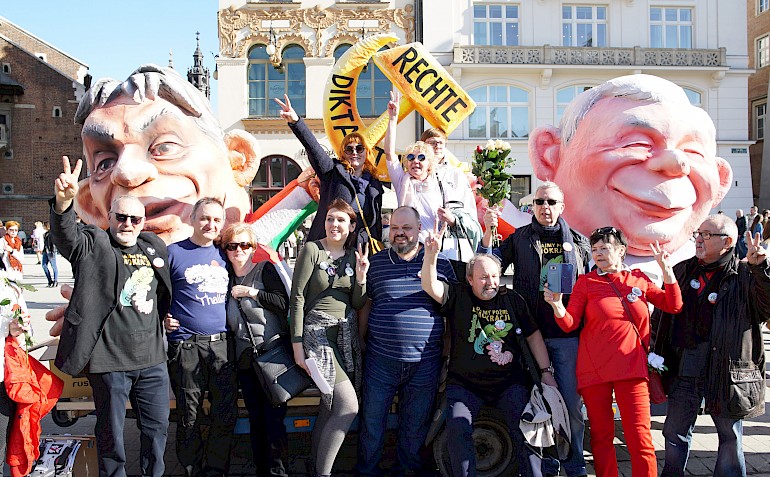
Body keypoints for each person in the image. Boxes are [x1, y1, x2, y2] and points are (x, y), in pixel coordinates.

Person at [50, 157, 172, 477]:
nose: (128, 224)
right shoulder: (95, 243)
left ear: (143, 222)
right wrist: (64, 203)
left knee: (156, 432)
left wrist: (166, 317)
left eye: (135, 218)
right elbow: (67, 238)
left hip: (152, 361)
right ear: (111, 217)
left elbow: (165, 291)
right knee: (112, 437)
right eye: (121, 217)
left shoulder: (154, 246)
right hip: (110, 362)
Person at [529, 74, 732, 265]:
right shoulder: (529, 242)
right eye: (636, 143)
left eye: (692, 152)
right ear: (550, 156)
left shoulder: (699, 272)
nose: (677, 164)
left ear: (721, 180)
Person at [543, 227, 683, 477]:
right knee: (601, 438)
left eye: (604, 248)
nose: (598, 253)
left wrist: (668, 273)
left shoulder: (638, 278)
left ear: (620, 251)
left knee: (640, 438)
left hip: (632, 369)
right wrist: (557, 306)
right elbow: (570, 323)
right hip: (594, 372)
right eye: (594, 249)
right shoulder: (586, 282)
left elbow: (673, 305)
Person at [421, 224, 557, 477]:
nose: (491, 282)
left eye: (494, 276)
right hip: (464, 385)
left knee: (526, 429)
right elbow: (430, 286)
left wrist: (546, 372)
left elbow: (533, 335)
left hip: (509, 383)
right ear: (470, 279)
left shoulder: (512, 299)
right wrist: (431, 255)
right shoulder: (459, 295)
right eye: (483, 277)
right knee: (458, 429)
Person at [72, 65, 260, 245]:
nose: (126, 173)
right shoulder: (106, 262)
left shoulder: (258, 263)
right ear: (89, 205)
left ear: (237, 160)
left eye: (164, 148)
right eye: (106, 163)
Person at [479, 181, 590, 477]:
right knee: (537, 404)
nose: (545, 208)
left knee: (571, 405)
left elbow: (593, 285)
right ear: (532, 207)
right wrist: (489, 232)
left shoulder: (579, 242)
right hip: (529, 337)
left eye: (552, 202)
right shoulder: (519, 239)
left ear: (562, 206)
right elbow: (490, 265)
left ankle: (575, 462)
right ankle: (546, 462)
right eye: (539, 202)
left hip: (567, 337)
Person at [651, 216, 770, 477]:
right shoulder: (682, 270)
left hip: (728, 372)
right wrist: (654, 353)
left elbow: (767, 307)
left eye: (706, 235)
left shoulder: (745, 274)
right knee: (674, 432)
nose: (699, 239)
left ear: (727, 242)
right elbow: (661, 314)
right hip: (685, 367)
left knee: (730, 436)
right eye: (698, 233)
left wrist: (761, 269)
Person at [356, 206, 456, 476]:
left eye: (407, 228)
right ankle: (367, 471)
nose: (400, 233)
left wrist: (446, 354)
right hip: (380, 360)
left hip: (425, 363)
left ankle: (407, 472)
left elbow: (450, 313)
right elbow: (366, 304)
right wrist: (361, 342)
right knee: (372, 425)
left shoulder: (440, 263)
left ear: (419, 230)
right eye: (395, 228)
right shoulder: (375, 263)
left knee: (414, 427)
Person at [290, 198, 369, 477]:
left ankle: (315, 466)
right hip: (316, 337)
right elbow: (297, 298)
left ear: (351, 226)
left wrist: (360, 277)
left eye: (340, 220)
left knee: (331, 404)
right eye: (330, 219)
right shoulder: (312, 250)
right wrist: (297, 344)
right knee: (348, 406)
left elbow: (358, 303)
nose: (334, 224)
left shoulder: (353, 257)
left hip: (344, 337)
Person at [162, 197, 236, 477]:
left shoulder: (226, 254)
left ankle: (216, 468)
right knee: (189, 415)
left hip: (222, 345)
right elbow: (157, 295)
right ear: (192, 219)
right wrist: (162, 319)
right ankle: (192, 467)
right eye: (205, 218)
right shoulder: (172, 253)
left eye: (217, 220)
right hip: (186, 346)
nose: (211, 224)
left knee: (224, 413)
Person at [222, 222, 290, 477]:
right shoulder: (224, 278)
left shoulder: (265, 270)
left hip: (271, 356)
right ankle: (262, 469)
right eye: (232, 245)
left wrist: (251, 292)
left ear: (252, 248)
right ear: (226, 249)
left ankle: (278, 471)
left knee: (274, 421)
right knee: (255, 420)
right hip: (245, 361)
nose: (238, 250)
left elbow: (283, 303)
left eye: (245, 245)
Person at [276, 94, 384, 246]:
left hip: (361, 249)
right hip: (330, 246)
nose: (354, 153)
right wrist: (296, 122)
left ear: (367, 152)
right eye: (349, 149)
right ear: (343, 153)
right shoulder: (333, 172)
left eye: (359, 149)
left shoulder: (374, 184)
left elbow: (376, 221)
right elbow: (314, 149)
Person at [385, 91, 481, 253]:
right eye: (411, 157)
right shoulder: (403, 181)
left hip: (437, 247)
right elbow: (389, 153)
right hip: (410, 248)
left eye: (421, 157)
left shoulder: (442, 179)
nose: (416, 161)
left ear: (429, 163)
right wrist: (393, 119)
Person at [0, 262, 32, 477]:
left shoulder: (9, 287)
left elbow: (23, 338)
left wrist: (18, 330)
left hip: (1, 378)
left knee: (1, 443)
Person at [41, 222, 58, 287]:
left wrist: (53, 252)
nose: (43, 227)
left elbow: (53, 244)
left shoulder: (52, 234)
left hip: (51, 251)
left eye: (44, 226)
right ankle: (50, 281)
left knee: (54, 266)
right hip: (46, 251)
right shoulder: (45, 234)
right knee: (44, 265)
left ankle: (55, 281)